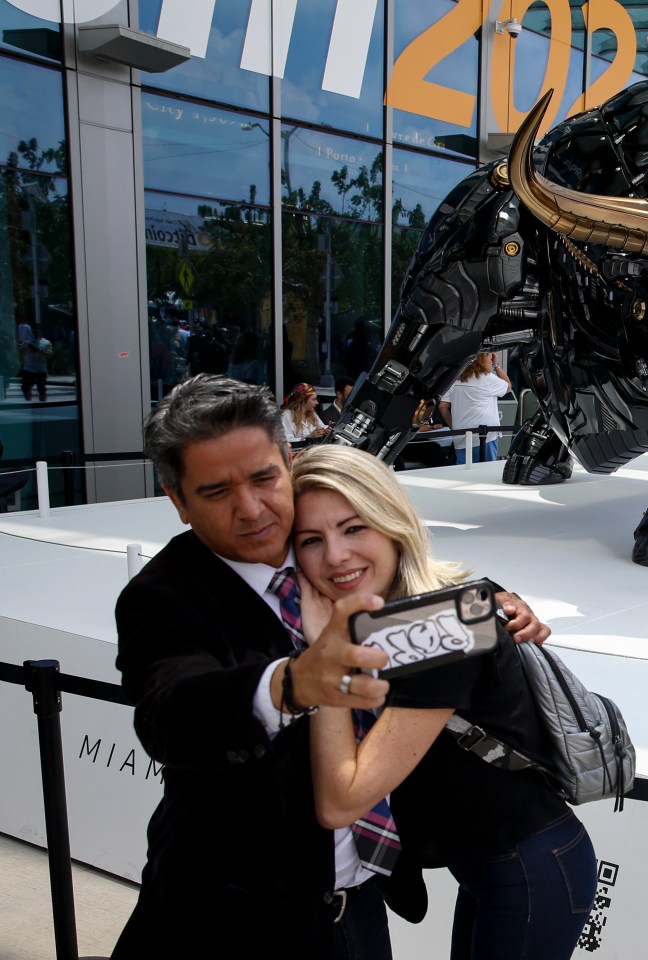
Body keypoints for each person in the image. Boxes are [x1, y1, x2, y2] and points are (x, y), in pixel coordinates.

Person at [112, 375, 426, 959]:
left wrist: (495, 608)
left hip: (361, 907)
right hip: (235, 921)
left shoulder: (325, 539)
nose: (252, 510)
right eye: (216, 492)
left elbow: (410, 563)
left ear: (289, 459)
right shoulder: (162, 596)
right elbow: (170, 711)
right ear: (176, 500)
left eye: (263, 478)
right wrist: (289, 683)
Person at [291, 446, 595, 960]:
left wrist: (324, 662)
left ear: (393, 523)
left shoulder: (444, 627)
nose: (336, 555)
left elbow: (343, 798)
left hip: (529, 867)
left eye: (354, 528)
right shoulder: (401, 614)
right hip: (489, 866)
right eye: (312, 540)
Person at [440, 352, 513, 463]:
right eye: (489, 357)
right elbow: (508, 386)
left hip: (461, 437)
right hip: (485, 437)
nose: (491, 360)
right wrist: (496, 365)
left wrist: (453, 426)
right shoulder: (487, 378)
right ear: (483, 359)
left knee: (463, 474)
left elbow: (443, 407)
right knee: (486, 474)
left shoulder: (456, 379)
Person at [18, 320, 52, 401]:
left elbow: (49, 355)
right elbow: (20, 352)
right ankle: (28, 401)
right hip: (28, 369)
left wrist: (39, 350)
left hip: (40, 370)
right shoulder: (27, 341)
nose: (35, 332)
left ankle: (42, 404)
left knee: (41, 389)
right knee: (25, 388)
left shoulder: (46, 342)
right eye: (33, 331)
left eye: (37, 330)